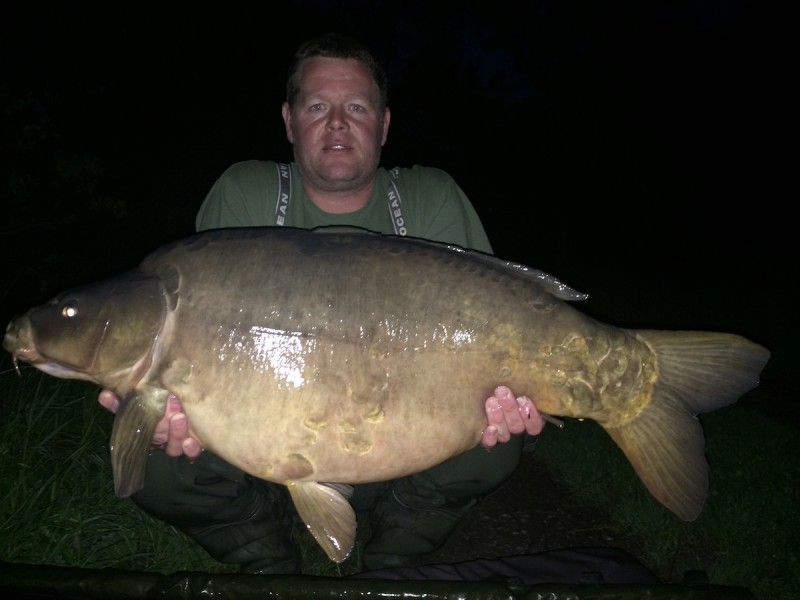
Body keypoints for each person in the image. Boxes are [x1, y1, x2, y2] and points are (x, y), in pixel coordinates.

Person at [99, 32, 544, 574]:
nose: (337, 122)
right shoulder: (246, 194)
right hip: (266, 444)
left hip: (399, 442)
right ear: (289, 121)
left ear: (383, 125)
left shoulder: (432, 200)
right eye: (318, 106)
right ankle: (265, 556)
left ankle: (393, 560)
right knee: (160, 455)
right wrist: (173, 412)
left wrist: (513, 393)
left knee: (494, 442)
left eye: (356, 106)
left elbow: (501, 325)